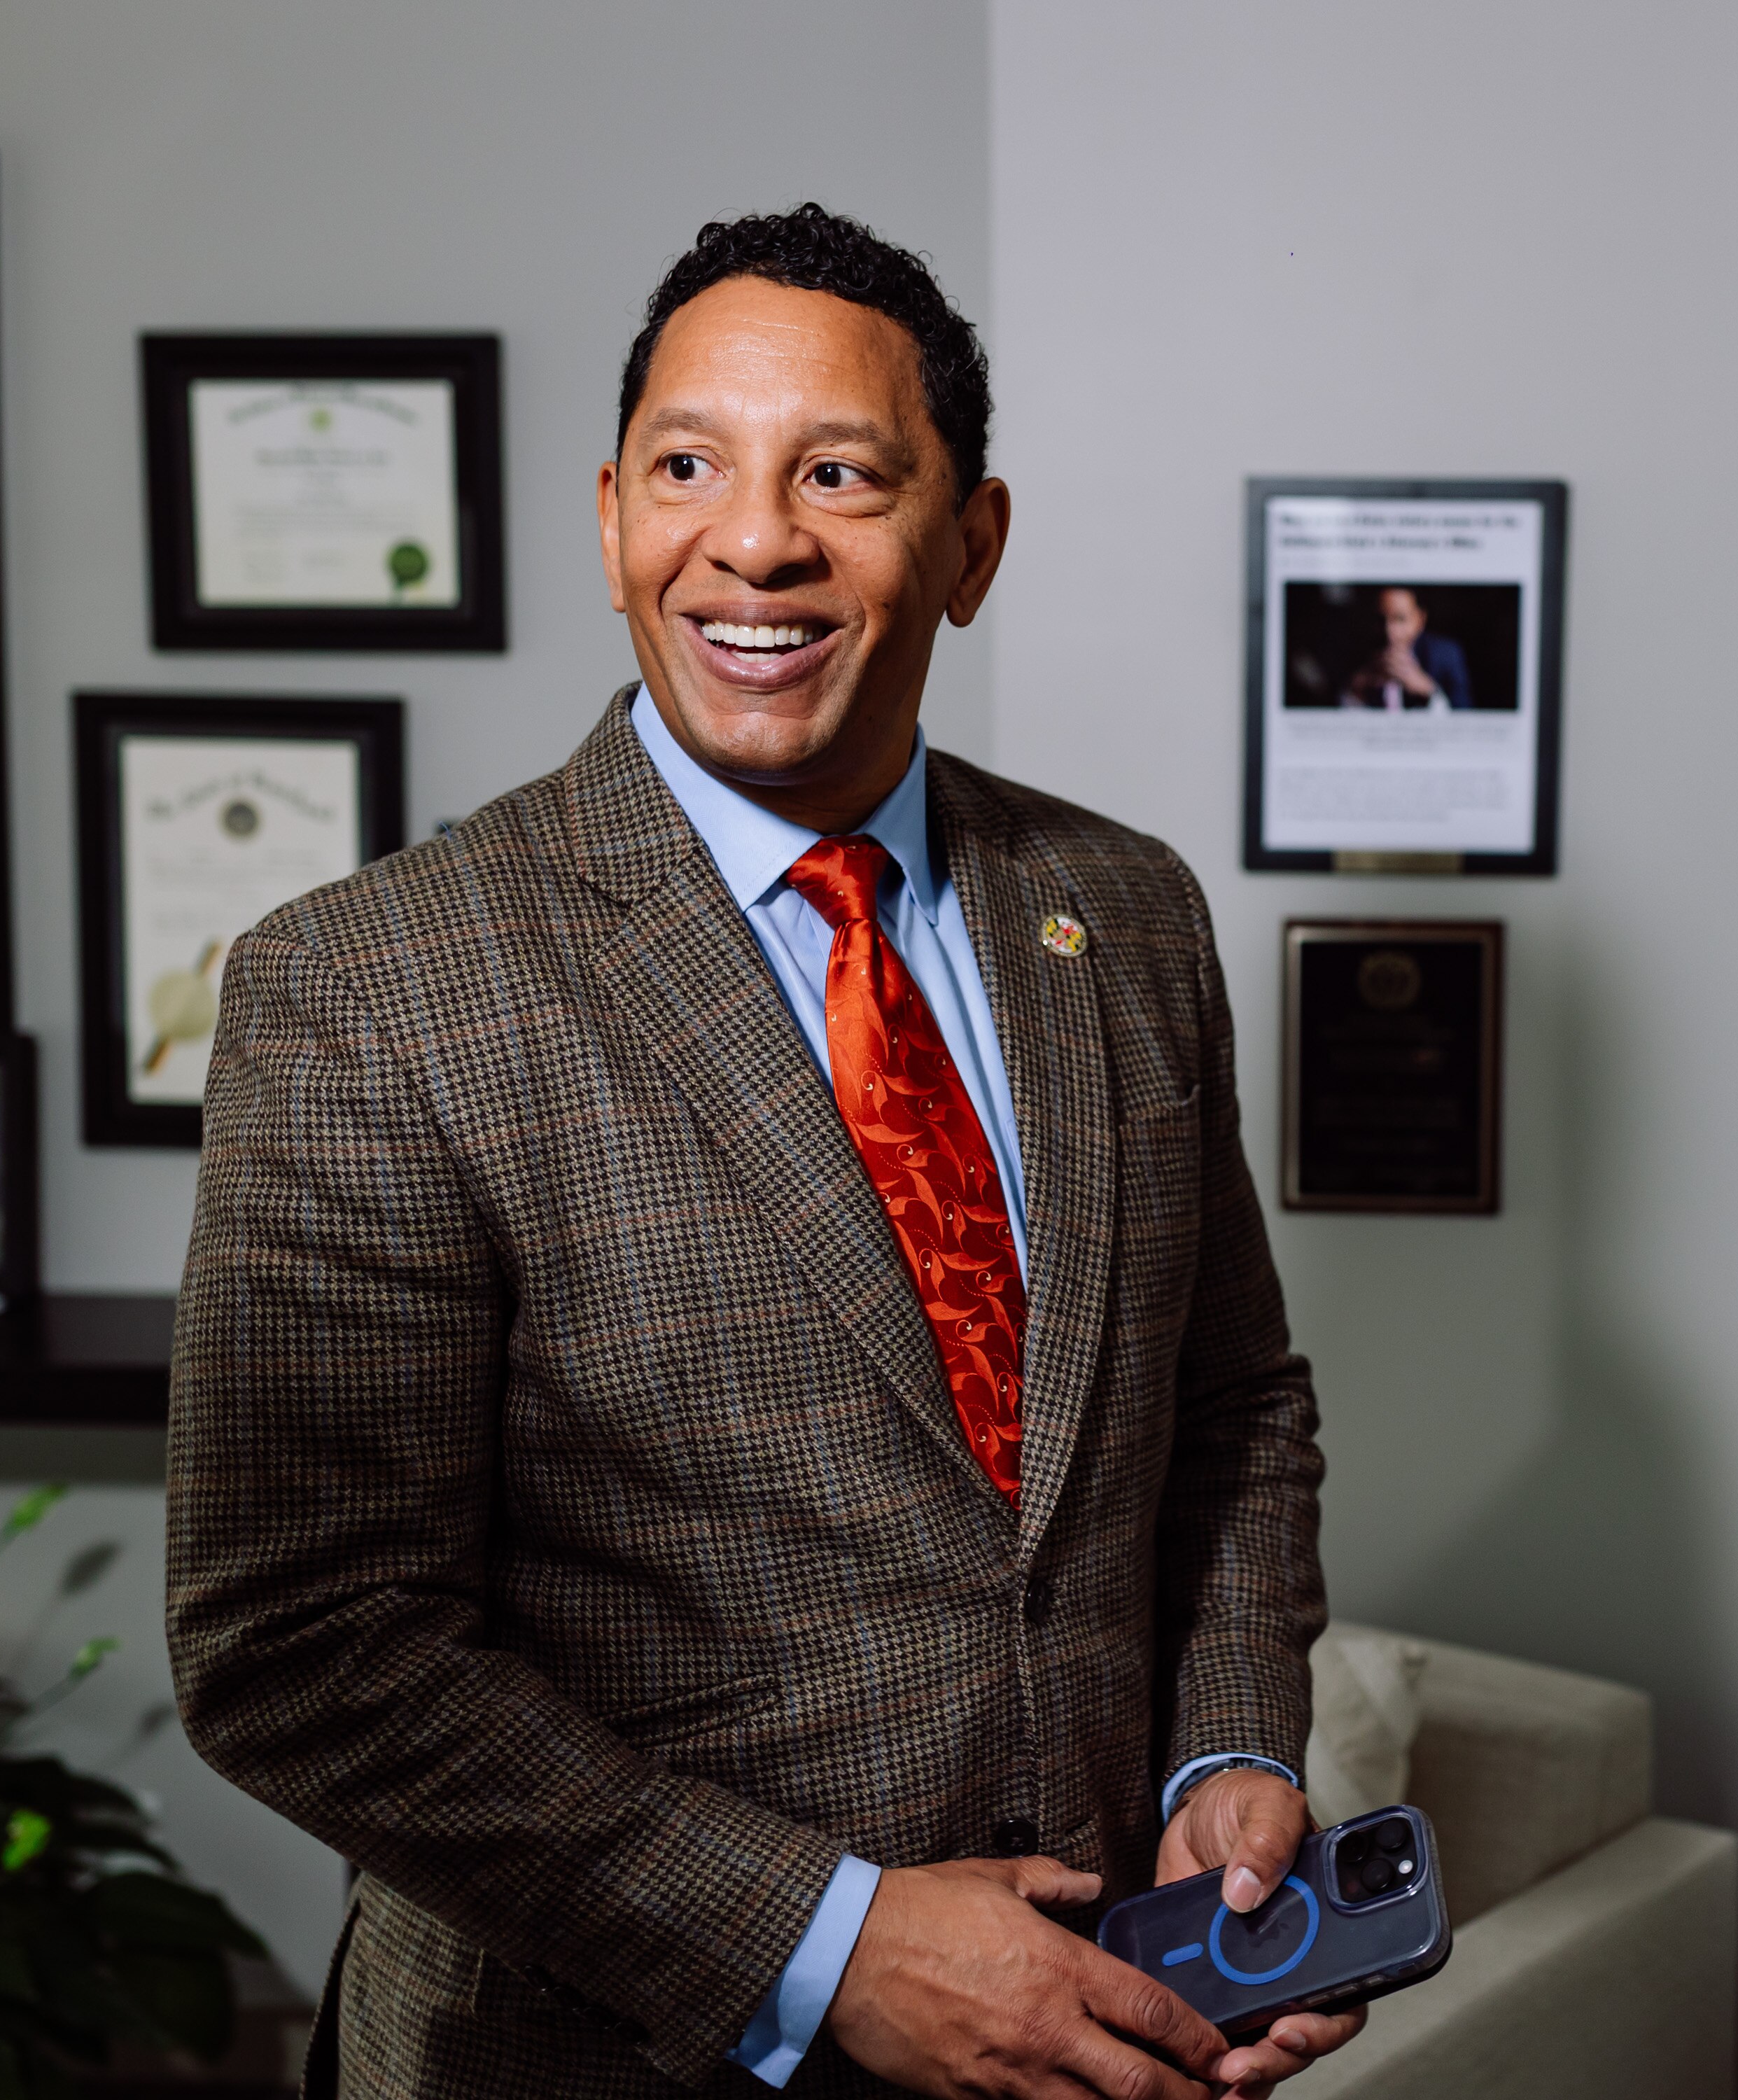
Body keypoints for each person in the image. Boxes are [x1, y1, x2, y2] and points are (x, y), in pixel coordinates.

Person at [165, 205, 1361, 2100]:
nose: (753, 538)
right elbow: (305, 1646)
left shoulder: (1122, 916)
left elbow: (1226, 1406)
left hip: (1100, 2025)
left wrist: (1228, 1763)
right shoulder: (370, 984)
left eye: (840, 472)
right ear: (611, 516)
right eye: (688, 467)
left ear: (969, 545)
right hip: (595, 2056)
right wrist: (830, 1944)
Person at [1338, 586, 1475, 710]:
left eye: (1400, 619)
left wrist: (1429, 691)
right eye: (1380, 619)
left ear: (1420, 620)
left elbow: (1465, 718)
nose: (1389, 632)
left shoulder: (1446, 655)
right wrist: (1356, 690)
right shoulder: (1353, 654)